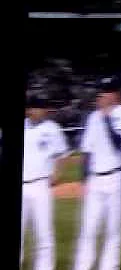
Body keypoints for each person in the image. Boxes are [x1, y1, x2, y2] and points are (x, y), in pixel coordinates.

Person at [73, 76, 121, 270]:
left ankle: (109, 266)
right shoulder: (93, 117)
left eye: (107, 91)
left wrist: (107, 117)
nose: (104, 95)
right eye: (102, 91)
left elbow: (119, 143)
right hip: (95, 179)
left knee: (113, 230)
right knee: (88, 229)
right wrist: (84, 179)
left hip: (115, 177)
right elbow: (87, 150)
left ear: (116, 94)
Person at [22, 96, 68, 270]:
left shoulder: (52, 129)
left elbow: (62, 154)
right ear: (29, 110)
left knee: (43, 233)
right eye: (36, 108)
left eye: (42, 108)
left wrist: (57, 174)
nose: (41, 111)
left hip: (40, 185)